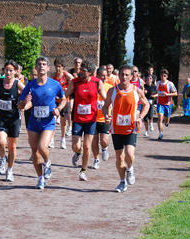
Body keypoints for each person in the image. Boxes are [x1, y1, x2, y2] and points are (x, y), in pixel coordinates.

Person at [18, 56, 65, 190]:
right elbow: (20, 106)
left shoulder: (55, 84)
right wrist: (25, 101)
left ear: (48, 68)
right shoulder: (30, 85)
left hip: (48, 122)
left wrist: (59, 109)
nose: (41, 66)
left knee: (42, 147)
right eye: (39, 64)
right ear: (36, 67)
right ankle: (40, 178)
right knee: (34, 151)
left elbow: (64, 99)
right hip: (34, 122)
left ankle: (48, 162)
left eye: (44, 64)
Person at [104, 65, 150, 193]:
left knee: (129, 153)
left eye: (126, 75)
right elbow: (105, 106)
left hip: (131, 128)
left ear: (131, 77)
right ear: (118, 76)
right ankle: (122, 182)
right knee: (119, 157)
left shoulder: (137, 91)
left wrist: (140, 117)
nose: (124, 77)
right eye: (122, 74)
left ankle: (130, 169)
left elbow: (146, 105)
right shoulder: (112, 91)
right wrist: (106, 115)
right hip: (116, 129)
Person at [63, 60, 107, 182]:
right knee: (75, 146)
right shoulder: (75, 82)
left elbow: (105, 98)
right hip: (77, 119)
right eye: (80, 70)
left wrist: (110, 109)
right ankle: (78, 153)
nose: (80, 73)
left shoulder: (97, 82)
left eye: (84, 71)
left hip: (91, 119)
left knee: (88, 146)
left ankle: (83, 171)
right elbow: (65, 95)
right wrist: (60, 106)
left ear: (91, 73)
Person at [0, 60, 26, 182]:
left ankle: (10, 170)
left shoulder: (18, 84)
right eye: (6, 70)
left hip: (14, 119)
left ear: (15, 72)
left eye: (11, 70)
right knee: (0, 141)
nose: (8, 72)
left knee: (12, 147)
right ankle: (2, 158)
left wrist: (23, 104)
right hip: (1, 117)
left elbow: (28, 94)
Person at [90, 66, 113, 169]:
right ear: (97, 76)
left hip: (104, 118)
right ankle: (96, 159)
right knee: (94, 141)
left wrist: (110, 114)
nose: (104, 78)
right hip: (93, 118)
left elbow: (112, 102)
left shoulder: (109, 87)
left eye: (106, 76)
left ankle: (105, 148)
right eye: (102, 76)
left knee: (104, 141)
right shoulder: (92, 86)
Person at [51, 58, 74, 149]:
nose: (58, 69)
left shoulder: (67, 75)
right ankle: (51, 139)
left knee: (63, 121)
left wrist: (68, 90)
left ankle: (62, 139)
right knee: (52, 119)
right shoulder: (53, 75)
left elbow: (74, 82)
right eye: (56, 67)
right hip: (55, 100)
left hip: (65, 100)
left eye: (59, 67)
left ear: (63, 67)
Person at [156, 69, 178, 140]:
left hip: (167, 104)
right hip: (160, 103)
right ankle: (160, 134)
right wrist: (153, 93)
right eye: (161, 75)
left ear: (167, 76)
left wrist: (167, 94)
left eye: (164, 76)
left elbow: (175, 93)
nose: (163, 77)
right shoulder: (158, 83)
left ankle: (167, 122)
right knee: (160, 117)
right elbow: (156, 91)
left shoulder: (170, 84)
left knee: (166, 119)